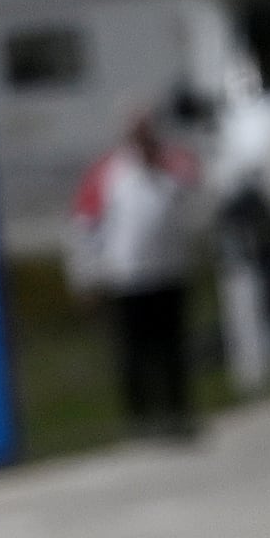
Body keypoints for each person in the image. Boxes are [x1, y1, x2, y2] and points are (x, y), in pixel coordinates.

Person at [70, 105, 209, 438]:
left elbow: (199, 199)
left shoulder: (175, 163)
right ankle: (141, 418)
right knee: (134, 351)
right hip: (128, 277)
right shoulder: (108, 171)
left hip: (170, 271)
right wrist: (86, 276)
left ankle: (177, 411)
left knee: (172, 347)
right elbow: (83, 226)